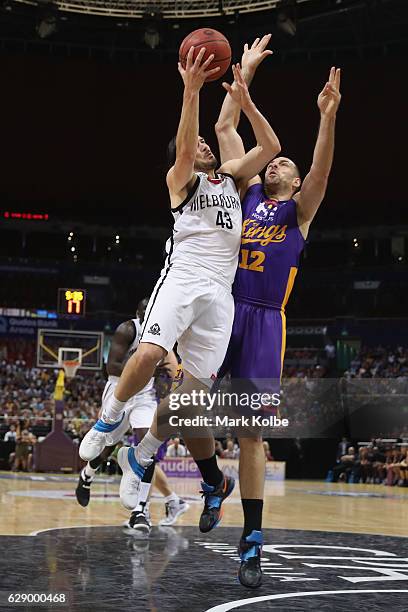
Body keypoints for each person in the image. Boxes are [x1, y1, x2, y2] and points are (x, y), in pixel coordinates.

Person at [80, 42, 281, 536]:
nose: (206, 151)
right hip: (184, 278)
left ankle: (160, 461)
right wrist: (191, 90)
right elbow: (192, 141)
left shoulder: (231, 180)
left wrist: (245, 81)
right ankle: (108, 420)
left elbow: (268, 148)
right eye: (197, 151)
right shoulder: (180, 182)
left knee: (189, 403)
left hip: (221, 295)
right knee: (148, 354)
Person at [214, 34, 341, 587]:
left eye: (281, 162)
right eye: (274, 161)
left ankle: (252, 536)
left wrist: (327, 118)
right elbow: (225, 131)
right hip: (223, 306)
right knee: (178, 398)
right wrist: (243, 77)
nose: (276, 164)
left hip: (264, 318)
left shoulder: (298, 211)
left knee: (249, 434)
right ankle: (197, 478)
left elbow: (320, 167)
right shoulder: (242, 191)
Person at [76, 300, 189, 533]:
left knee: (146, 447)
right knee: (106, 446)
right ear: (138, 315)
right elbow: (112, 367)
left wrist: (177, 382)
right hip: (119, 390)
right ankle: (87, 475)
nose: (151, 318)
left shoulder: (164, 334)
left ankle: (140, 510)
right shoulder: (127, 329)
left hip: (145, 397)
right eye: (147, 314)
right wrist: (145, 367)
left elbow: (174, 368)